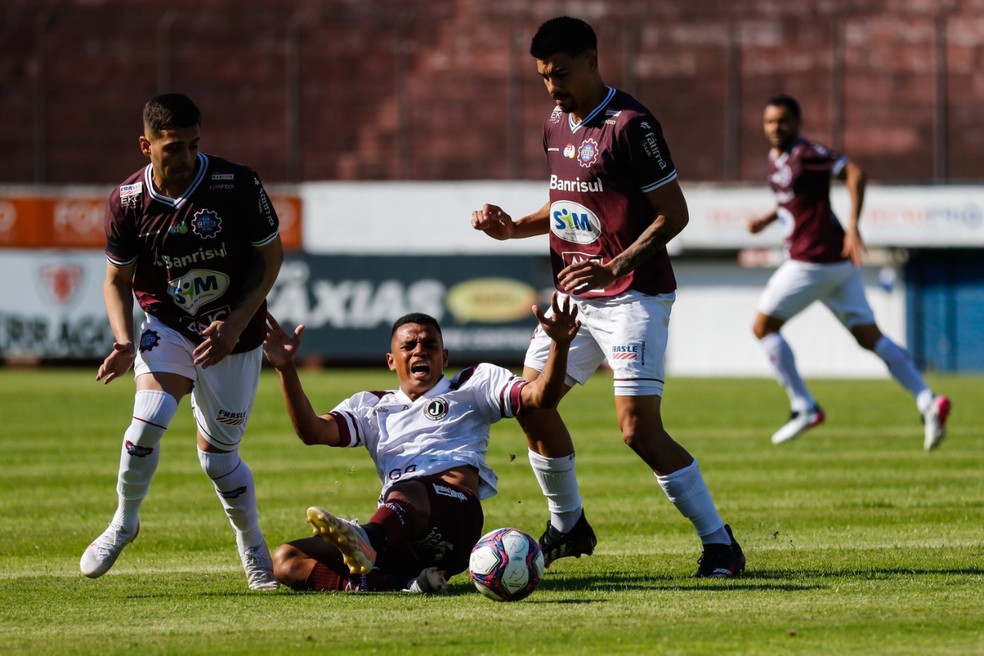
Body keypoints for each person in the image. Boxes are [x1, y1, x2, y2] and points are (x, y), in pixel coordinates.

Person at [471, 16, 745, 578]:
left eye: (563, 73)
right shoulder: (554, 122)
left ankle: (720, 544)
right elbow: (568, 202)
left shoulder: (631, 126)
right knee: (531, 402)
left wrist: (614, 264)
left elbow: (676, 214)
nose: (553, 87)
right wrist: (513, 228)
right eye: (544, 76)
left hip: (632, 295)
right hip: (576, 296)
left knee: (637, 430)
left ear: (593, 60)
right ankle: (568, 526)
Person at [80, 93, 285, 590]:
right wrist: (125, 341)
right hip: (168, 324)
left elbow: (270, 259)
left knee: (219, 461)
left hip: (232, 333)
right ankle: (125, 521)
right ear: (145, 145)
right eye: (174, 148)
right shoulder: (127, 201)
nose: (187, 157)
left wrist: (236, 324)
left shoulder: (236, 183)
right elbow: (115, 281)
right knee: (150, 417)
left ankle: (252, 545)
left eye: (194, 145)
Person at [262, 294, 580, 593]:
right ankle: (399, 584)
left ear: (444, 357)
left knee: (410, 488)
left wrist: (559, 346)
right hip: (399, 531)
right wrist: (286, 369)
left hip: (455, 521)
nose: (420, 350)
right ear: (391, 360)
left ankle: (367, 540)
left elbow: (540, 397)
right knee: (287, 561)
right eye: (409, 345)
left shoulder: (473, 384)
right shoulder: (370, 406)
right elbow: (313, 432)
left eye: (429, 344)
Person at [747, 94, 951, 450]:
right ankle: (927, 399)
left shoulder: (806, 153)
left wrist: (854, 225)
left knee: (763, 327)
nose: (775, 127)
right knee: (869, 336)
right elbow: (792, 198)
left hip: (812, 261)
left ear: (797, 122)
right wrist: (766, 219)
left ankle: (804, 407)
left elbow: (855, 173)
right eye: (769, 122)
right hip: (837, 266)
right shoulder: (775, 158)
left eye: (782, 121)